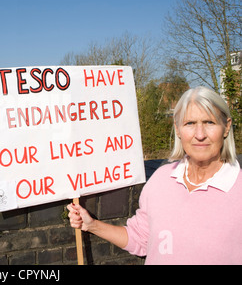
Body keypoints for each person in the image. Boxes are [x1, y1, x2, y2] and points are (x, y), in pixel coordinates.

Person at [67, 86, 242, 264]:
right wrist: (91, 225)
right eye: (189, 123)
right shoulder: (161, 179)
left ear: (226, 127)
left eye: (209, 123)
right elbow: (141, 239)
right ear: (178, 129)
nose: (199, 134)